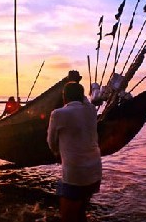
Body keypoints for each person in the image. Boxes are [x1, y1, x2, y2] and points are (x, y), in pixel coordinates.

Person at [47, 81, 102, 222]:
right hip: (94, 171)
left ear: (64, 97)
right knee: (81, 211)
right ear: (81, 96)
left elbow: (51, 142)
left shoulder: (58, 114)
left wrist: (56, 154)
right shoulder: (91, 110)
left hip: (75, 174)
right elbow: (85, 100)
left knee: (68, 217)